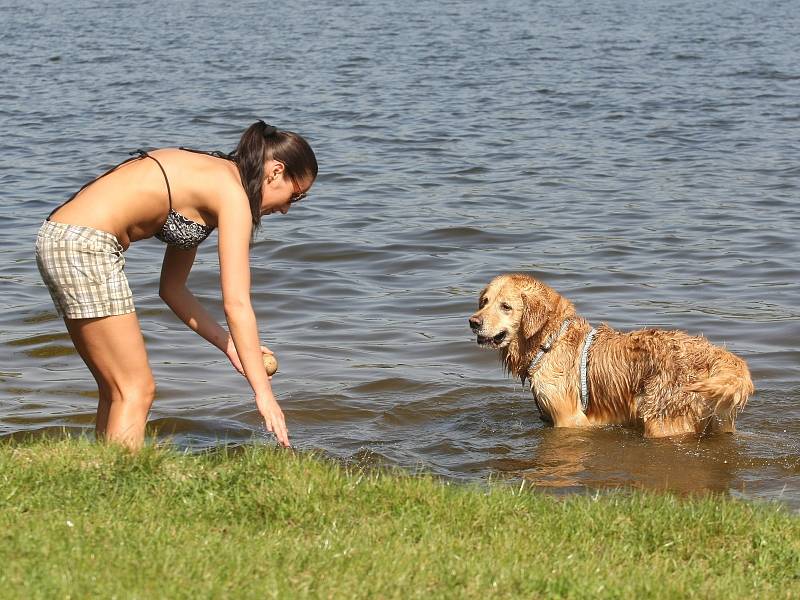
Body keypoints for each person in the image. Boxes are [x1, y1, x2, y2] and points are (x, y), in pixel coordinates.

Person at [35, 121, 317, 449]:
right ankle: (122, 487)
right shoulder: (233, 194)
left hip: (60, 237)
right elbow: (237, 303)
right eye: (294, 196)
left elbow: (172, 288)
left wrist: (232, 348)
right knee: (137, 389)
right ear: (276, 171)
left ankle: (101, 481)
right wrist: (264, 395)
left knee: (117, 389)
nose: (285, 209)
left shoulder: (217, 178)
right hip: (85, 244)